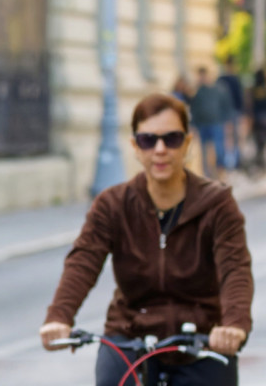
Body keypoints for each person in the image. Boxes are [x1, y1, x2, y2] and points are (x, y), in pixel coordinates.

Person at [39, 93, 253, 386]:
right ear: (135, 147)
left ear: (188, 143)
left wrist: (234, 325)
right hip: (130, 334)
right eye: (148, 140)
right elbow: (84, 260)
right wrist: (59, 316)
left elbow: (235, 269)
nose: (160, 149)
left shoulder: (217, 204)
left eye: (172, 139)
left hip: (202, 339)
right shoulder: (113, 204)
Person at [188, 66, 234, 181]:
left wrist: (227, 122)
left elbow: (225, 106)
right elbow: (194, 109)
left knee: (219, 149)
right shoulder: (197, 91)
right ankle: (207, 176)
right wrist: (193, 125)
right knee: (204, 151)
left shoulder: (218, 89)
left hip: (216, 123)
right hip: (203, 124)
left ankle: (220, 172)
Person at [217, 57, 248, 169]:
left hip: (234, 110)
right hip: (224, 112)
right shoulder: (222, 79)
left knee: (234, 135)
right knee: (225, 135)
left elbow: (240, 96)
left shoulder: (234, 78)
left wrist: (241, 111)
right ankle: (225, 160)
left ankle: (235, 159)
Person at [250, 68, 266, 171]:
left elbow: (250, 104)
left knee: (258, 138)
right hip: (264, 116)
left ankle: (259, 157)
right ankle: (261, 157)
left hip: (256, 117)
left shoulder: (253, 90)